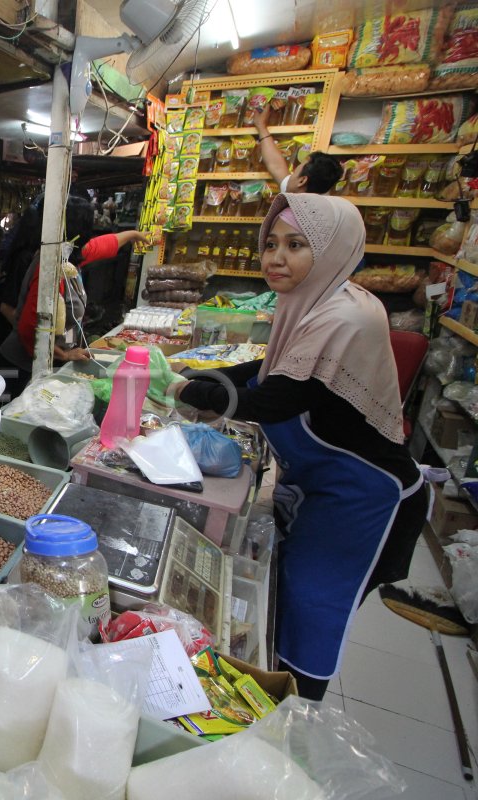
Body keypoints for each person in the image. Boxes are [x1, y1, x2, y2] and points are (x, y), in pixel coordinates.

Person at [172, 193, 428, 700]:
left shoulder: (345, 317)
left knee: (311, 611)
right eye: (270, 244)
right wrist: (198, 374)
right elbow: (269, 369)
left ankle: (290, 719)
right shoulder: (313, 306)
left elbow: (276, 399)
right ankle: (272, 702)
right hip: (326, 491)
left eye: (296, 245)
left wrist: (190, 389)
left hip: (369, 499)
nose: (276, 258)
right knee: (288, 599)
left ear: (334, 250)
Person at [1, 198, 148, 375]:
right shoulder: (50, 267)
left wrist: (133, 235)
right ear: (81, 231)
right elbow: (29, 328)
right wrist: (64, 355)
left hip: (47, 359)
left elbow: (101, 245)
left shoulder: (69, 254)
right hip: (25, 365)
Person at [250, 104, 343, 194]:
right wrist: (261, 126)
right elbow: (276, 166)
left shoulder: (293, 208)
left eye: (295, 171)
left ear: (302, 181)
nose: (291, 173)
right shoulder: (299, 191)